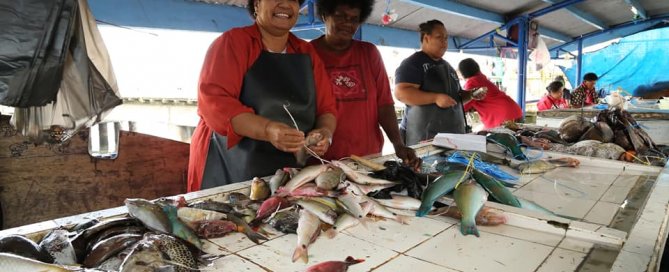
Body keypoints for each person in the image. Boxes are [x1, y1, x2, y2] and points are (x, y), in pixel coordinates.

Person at [187, 0, 337, 192]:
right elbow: (215, 103)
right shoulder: (233, 43)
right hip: (227, 165)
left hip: (284, 170)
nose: (285, 4)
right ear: (257, 4)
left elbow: (327, 108)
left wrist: (325, 133)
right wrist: (268, 130)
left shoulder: (307, 53)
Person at [310, 0, 420, 168]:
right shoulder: (307, 54)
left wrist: (398, 144)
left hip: (368, 157)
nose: (347, 23)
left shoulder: (369, 53)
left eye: (354, 19)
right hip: (321, 160)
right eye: (340, 16)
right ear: (325, 15)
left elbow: (384, 104)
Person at [394, 20, 485, 146]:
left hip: (451, 138)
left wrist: (470, 94)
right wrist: (435, 98)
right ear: (426, 38)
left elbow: (454, 99)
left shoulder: (448, 67)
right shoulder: (413, 63)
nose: (444, 42)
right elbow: (401, 93)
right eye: (439, 37)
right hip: (421, 138)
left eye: (446, 38)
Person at [457, 58, 522, 129]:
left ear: (463, 73)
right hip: (513, 111)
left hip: (503, 116)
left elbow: (462, 107)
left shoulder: (471, 83)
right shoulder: (481, 78)